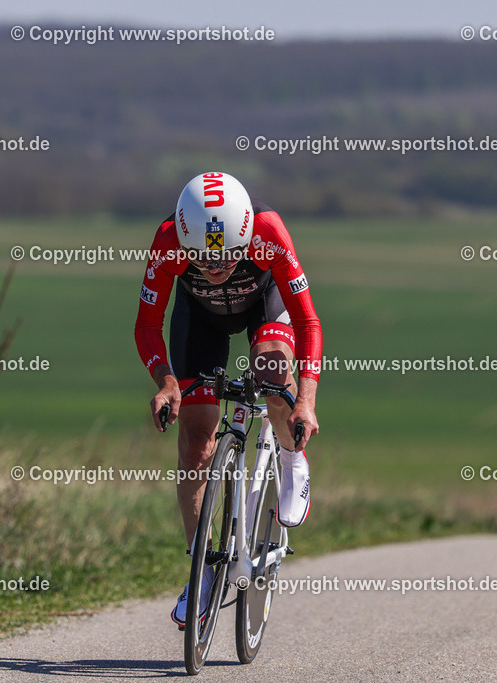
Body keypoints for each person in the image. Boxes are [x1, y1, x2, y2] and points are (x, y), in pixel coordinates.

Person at [134, 171, 323, 628]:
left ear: (245, 236)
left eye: (227, 258)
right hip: (200, 320)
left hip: (264, 305)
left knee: (272, 372)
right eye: (203, 260)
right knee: (196, 437)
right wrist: (166, 381)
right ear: (184, 240)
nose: (216, 268)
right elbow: (146, 325)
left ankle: (291, 455)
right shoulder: (167, 241)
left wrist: (306, 402)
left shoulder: (268, 231)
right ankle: (201, 572)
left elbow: (308, 322)